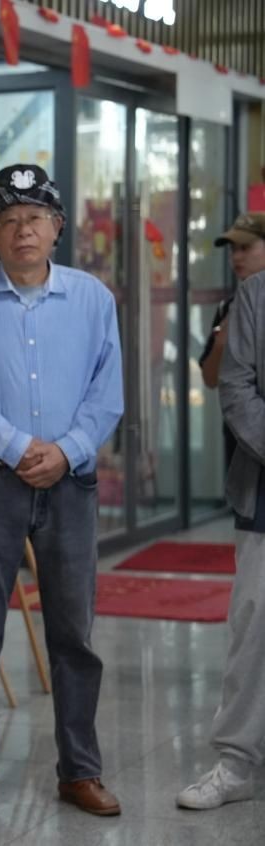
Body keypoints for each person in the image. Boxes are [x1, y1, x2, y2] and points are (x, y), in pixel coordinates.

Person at [0, 164, 124, 817]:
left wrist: (65, 451)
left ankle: (80, 771)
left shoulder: (92, 299)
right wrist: (15, 447)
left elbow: (106, 393)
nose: (23, 231)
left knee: (73, 635)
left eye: (35, 218)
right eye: (9, 221)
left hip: (70, 482)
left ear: (57, 227)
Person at [176, 223, 265, 810]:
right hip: (262, 483)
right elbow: (231, 384)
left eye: (244, 246)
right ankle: (236, 762)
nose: (236, 257)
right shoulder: (253, 297)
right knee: (254, 624)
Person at [197, 213, 265, 468]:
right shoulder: (229, 307)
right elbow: (210, 378)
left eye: (245, 248)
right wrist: (222, 342)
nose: (237, 257)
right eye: (233, 250)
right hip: (241, 447)